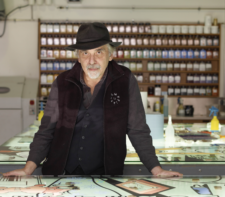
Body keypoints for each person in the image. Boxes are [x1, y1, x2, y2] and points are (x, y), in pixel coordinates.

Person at [4, 22, 181, 177]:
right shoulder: (62, 82)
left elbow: (137, 128)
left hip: (106, 173)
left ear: (111, 55)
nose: (92, 60)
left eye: (98, 52)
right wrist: (28, 169)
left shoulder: (125, 80)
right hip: (60, 172)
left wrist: (156, 169)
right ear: (78, 57)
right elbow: (46, 130)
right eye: (85, 53)